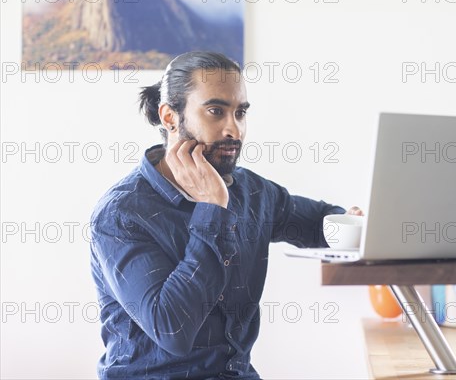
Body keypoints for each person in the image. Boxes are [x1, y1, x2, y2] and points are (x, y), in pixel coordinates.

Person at [89, 51, 363, 379]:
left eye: (241, 113)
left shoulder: (253, 193)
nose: (234, 129)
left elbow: (318, 224)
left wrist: (354, 224)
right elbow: (173, 330)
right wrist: (212, 209)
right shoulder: (121, 215)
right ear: (170, 117)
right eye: (216, 111)